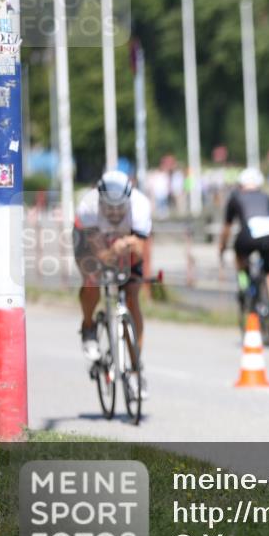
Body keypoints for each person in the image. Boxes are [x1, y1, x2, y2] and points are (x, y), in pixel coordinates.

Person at [74, 170, 153, 396]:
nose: (115, 213)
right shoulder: (88, 208)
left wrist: (128, 246)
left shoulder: (140, 206)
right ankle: (88, 326)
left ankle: (136, 371)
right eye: (109, 208)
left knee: (132, 295)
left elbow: (140, 251)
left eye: (120, 208)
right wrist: (112, 251)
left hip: (125, 246)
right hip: (93, 242)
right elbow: (100, 256)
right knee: (91, 281)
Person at [218, 168, 269, 330]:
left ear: (241, 184)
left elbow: (227, 227)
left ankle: (244, 285)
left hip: (247, 236)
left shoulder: (236, 197)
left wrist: (222, 247)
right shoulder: (266, 197)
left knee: (239, 257)